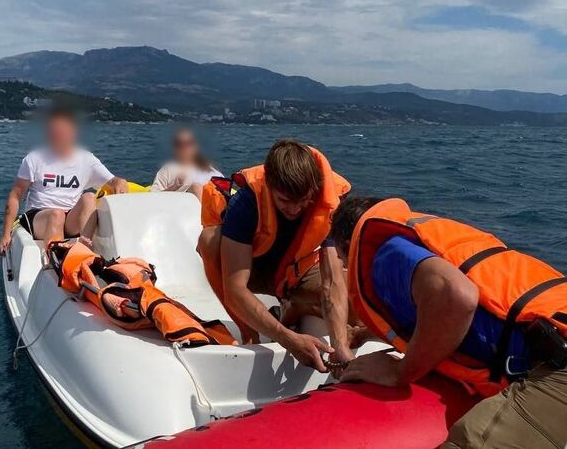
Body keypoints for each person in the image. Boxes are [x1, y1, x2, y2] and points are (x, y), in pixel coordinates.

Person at [328, 196, 567, 448]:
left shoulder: (385, 253)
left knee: (469, 441)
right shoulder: (424, 239)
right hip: (552, 333)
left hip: (555, 364)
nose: (345, 267)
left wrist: (400, 372)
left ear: (348, 246)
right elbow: (478, 309)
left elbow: (456, 295)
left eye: (343, 260)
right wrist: (365, 334)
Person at [197, 139, 353, 372]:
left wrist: (340, 346)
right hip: (253, 269)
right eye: (285, 201)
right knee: (209, 240)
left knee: (356, 301)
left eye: (303, 201)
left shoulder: (328, 201)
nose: (294, 209)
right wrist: (286, 338)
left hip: (295, 271)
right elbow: (235, 289)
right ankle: (250, 334)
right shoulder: (246, 202)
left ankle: (294, 308)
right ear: (270, 186)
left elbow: (332, 281)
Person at [0, 108, 128, 255]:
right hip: (39, 216)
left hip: (70, 217)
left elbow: (113, 181)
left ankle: (84, 249)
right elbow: (15, 196)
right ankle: (55, 258)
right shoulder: (34, 159)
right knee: (56, 215)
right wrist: (6, 234)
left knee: (89, 197)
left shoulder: (86, 159)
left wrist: (119, 182)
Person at [151, 128, 222, 200]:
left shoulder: (208, 168)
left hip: (210, 204)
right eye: (179, 144)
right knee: (196, 187)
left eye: (188, 143)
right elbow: (153, 199)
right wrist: (175, 187)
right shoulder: (168, 170)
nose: (184, 147)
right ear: (174, 148)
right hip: (180, 205)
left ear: (195, 147)